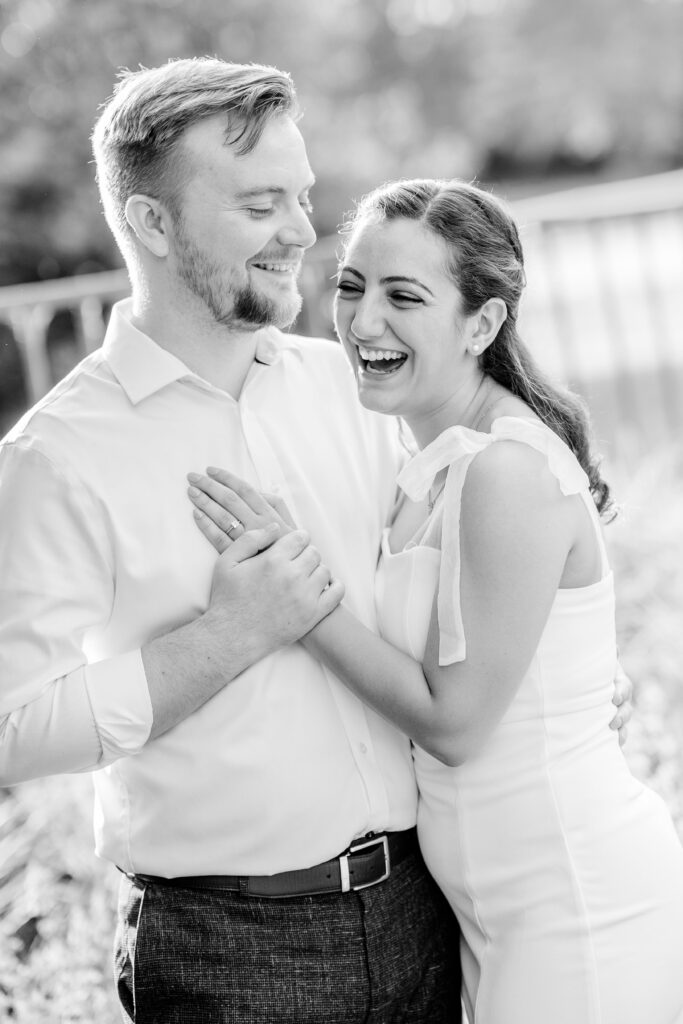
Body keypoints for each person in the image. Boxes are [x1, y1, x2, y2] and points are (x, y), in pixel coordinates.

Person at [0, 59, 627, 1022]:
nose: (301, 231)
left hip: (435, 911)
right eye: (260, 205)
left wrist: (559, 697)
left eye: (299, 197)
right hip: (231, 953)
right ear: (152, 224)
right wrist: (226, 638)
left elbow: (468, 579)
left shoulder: (354, 387)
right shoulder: (57, 457)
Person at [187, 179, 683, 1024]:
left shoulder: (502, 470)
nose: (363, 321)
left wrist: (294, 592)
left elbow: (453, 724)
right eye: (351, 286)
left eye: (403, 296)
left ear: (482, 324)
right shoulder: (413, 454)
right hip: (482, 912)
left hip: (573, 899)